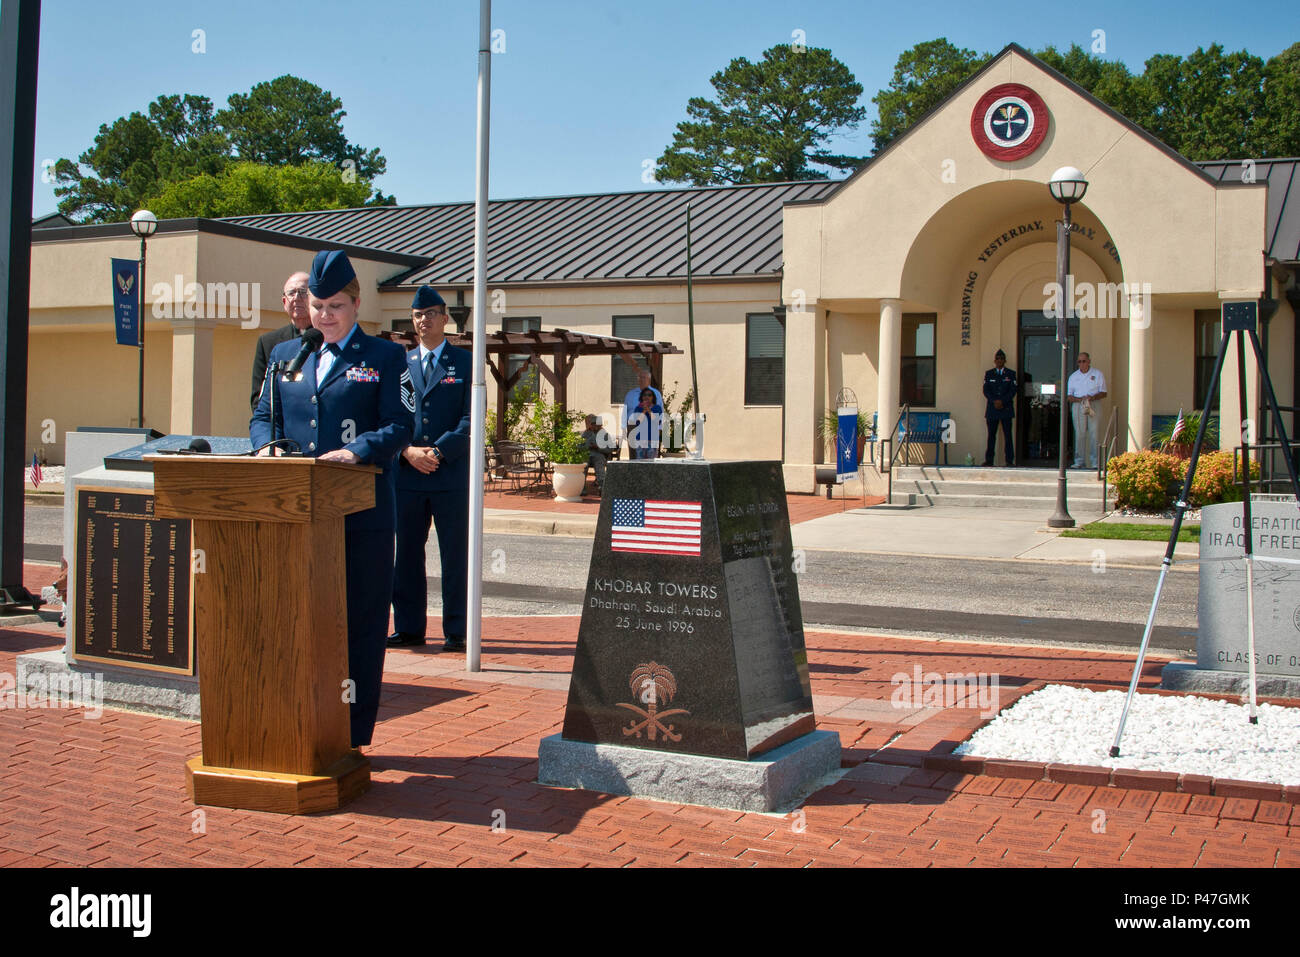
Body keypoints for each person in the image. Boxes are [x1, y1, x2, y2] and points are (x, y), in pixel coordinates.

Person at [250, 250, 413, 749]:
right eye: (318, 304)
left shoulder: (385, 357)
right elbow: (262, 416)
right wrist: (265, 448)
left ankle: (351, 731)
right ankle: (297, 721)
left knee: (360, 624)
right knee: (295, 618)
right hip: (296, 512)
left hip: (361, 511)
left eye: (336, 305)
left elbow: (401, 425)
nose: (324, 314)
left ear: (357, 304)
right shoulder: (287, 357)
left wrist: (357, 450)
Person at [389, 286, 472, 653]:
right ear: (413, 320)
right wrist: (407, 451)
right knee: (405, 554)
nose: (424, 321)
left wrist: (437, 452)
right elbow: (389, 417)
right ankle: (409, 628)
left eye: (432, 314)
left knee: (455, 554)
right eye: (418, 315)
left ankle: (457, 630)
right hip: (407, 475)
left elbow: (471, 419)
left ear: (444, 318)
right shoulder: (399, 364)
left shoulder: (466, 362)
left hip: (449, 474)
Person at [249, 271, 313, 411]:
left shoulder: (327, 338)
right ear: (284, 302)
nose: (297, 298)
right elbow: (258, 399)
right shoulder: (269, 343)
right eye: (291, 293)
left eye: (303, 292)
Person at [1067, 352, 1107, 469]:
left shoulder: (1097, 374)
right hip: (1078, 405)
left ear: (1089, 361)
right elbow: (1069, 396)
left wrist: (1092, 397)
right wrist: (1080, 399)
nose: (1082, 364)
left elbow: (1104, 392)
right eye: (1079, 361)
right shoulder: (1073, 376)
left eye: (1084, 361)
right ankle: (1079, 461)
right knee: (1080, 434)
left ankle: (1095, 462)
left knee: (1094, 433)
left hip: (1093, 404)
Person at [983, 348, 1017, 467]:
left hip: (1006, 409)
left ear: (1005, 360)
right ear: (994, 360)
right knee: (991, 436)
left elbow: (1013, 391)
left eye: (1002, 358)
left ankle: (1009, 461)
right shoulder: (989, 374)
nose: (999, 360)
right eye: (997, 358)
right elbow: (986, 390)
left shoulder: (1011, 374)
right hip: (992, 409)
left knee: (1008, 436)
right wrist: (994, 401)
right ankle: (989, 460)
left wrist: (1002, 401)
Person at [622, 369, 662, 459]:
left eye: (644, 377)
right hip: (633, 426)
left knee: (651, 455)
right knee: (634, 455)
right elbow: (625, 412)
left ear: (649, 379)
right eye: (639, 377)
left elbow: (660, 413)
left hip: (651, 427)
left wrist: (660, 428)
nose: (641, 379)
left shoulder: (656, 393)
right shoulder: (630, 394)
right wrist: (624, 428)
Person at [627, 387, 662, 459]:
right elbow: (637, 422)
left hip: (652, 440)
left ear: (653, 397)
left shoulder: (657, 408)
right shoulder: (638, 408)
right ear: (642, 397)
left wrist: (649, 411)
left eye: (649, 395)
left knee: (651, 463)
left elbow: (657, 422)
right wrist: (644, 411)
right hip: (640, 439)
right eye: (645, 395)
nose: (647, 397)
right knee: (640, 463)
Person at [581, 414, 614, 488]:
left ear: (600, 426)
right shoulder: (586, 434)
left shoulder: (605, 435)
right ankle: (581, 488)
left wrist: (598, 447)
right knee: (583, 466)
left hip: (599, 454)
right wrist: (587, 446)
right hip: (587, 454)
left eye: (596, 425)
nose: (594, 426)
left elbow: (610, 449)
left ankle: (602, 487)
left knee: (600, 468)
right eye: (593, 424)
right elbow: (579, 446)